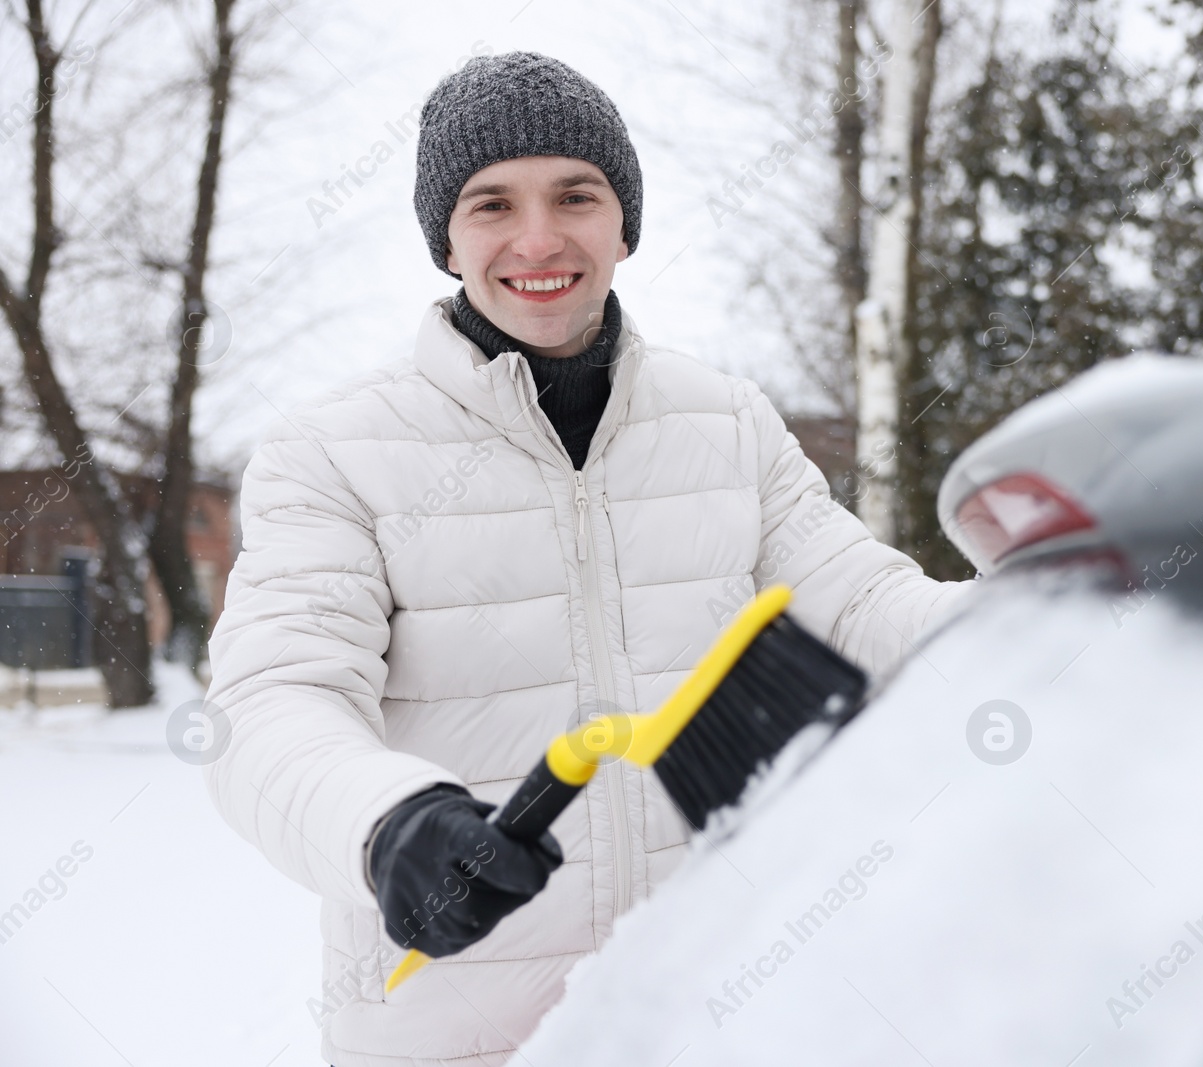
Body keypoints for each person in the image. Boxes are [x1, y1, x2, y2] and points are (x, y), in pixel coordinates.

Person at [204, 51, 967, 1067]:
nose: (537, 237)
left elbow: (865, 601)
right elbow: (270, 705)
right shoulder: (334, 451)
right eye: (490, 204)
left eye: (577, 194)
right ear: (445, 238)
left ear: (623, 222)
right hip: (457, 1038)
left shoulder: (726, 423)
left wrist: (1045, 609)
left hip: (706, 1013)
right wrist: (389, 824)